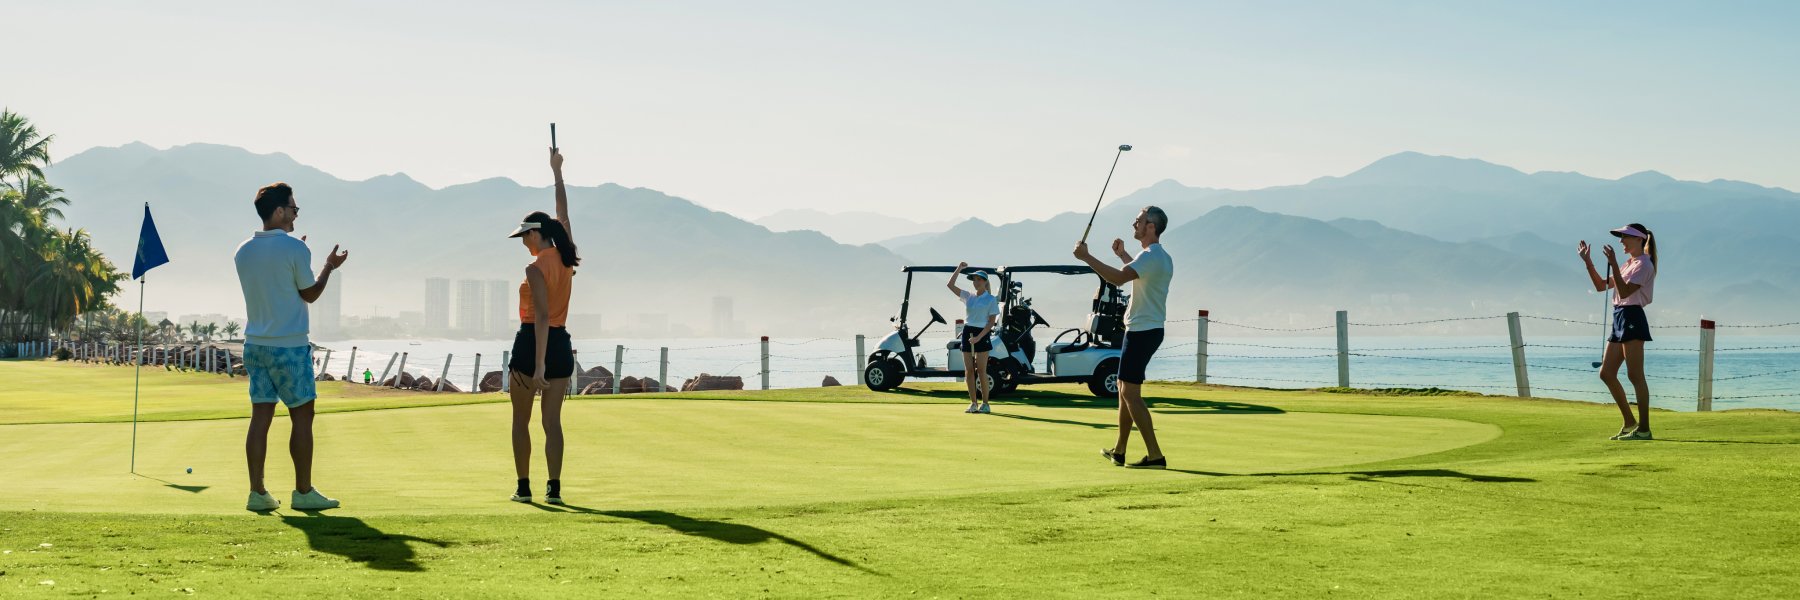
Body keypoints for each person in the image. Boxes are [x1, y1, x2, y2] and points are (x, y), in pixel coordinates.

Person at [234, 182, 349, 511]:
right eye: (294, 209)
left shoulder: (243, 250)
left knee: (261, 417)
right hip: (289, 346)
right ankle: (303, 492)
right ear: (280, 211)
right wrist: (328, 266)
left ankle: (257, 494)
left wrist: (296, 255)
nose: (296, 214)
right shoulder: (296, 250)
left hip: (255, 345)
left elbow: (275, 281)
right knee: (302, 416)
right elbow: (309, 294)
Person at [506, 147, 581, 504]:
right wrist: (557, 171)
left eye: (523, 236)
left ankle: (524, 488)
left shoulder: (535, 269)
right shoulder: (565, 256)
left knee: (521, 420)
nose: (522, 242)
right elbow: (563, 213)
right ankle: (554, 488)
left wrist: (537, 367)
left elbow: (540, 317)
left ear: (535, 234)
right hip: (562, 345)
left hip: (532, 345)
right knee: (552, 422)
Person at [1074, 206, 1173, 469]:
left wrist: (1087, 257)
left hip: (1142, 331)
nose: (1134, 223)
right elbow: (1135, 271)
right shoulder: (1155, 256)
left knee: (1129, 391)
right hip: (1144, 330)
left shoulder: (1151, 256)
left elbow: (1118, 279)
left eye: (1139, 220)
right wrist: (1122, 254)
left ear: (1150, 226)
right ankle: (1119, 450)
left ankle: (1155, 455)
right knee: (1123, 390)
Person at [1579, 224, 1659, 441]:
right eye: (1621, 237)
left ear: (1639, 240)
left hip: (1632, 316)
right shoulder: (1628, 264)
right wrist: (1588, 262)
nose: (1621, 241)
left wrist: (1613, 263)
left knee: (1635, 375)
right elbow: (1600, 286)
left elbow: (1624, 292)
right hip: (1620, 317)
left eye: (1625, 237)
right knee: (1606, 373)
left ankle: (1644, 429)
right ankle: (1630, 423)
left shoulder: (1644, 265)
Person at [948, 263, 1001, 414]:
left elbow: (991, 322)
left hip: (982, 334)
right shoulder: (968, 296)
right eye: (974, 279)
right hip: (967, 332)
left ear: (985, 282)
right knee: (969, 371)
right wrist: (959, 268)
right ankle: (973, 403)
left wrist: (978, 337)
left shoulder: (990, 299)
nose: (976, 282)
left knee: (981, 370)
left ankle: (985, 404)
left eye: (979, 279)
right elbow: (950, 285)